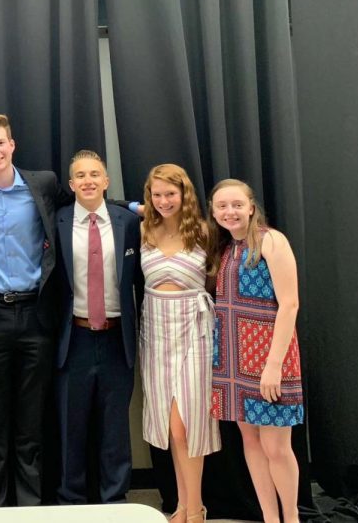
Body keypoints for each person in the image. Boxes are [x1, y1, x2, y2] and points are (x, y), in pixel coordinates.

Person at [0, 113, 73, 506]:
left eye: (0, 143)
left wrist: (134, 209)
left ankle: (30, 506)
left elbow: (85, 205)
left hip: (37, 315)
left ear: (12, 145)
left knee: (31, 420)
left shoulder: (44, 183)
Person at [208, 179, 303, 523]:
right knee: (251, 444)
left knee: (277, 448)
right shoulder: (226, 248)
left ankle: (290, 518)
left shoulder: (270, 241)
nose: (229, 212)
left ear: (250, 207)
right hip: (233, 361)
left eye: (236, 204)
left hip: (268, 359)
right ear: (214, 211)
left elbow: (290, 304)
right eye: (221, 206)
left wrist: (273, 365)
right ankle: (269, 518)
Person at [54, 150, 142, 504]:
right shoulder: (56, 220)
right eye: (80, 175)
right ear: (72, 184)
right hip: (72, 338)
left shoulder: (129, 223)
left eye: (95, 174)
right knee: (69, 427)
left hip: (117, 337)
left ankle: (114, 500)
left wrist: (135, 206)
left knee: (115, 428)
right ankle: (69, 501)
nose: (88, 181)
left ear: (106, 181)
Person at [139, 165, 221, 523]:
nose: (163, 201)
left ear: (183, 193)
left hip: (195, 327)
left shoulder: (204, 232)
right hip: (155, 327)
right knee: (172, 427)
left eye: (170, 194)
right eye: (156, 195)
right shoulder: (144, 229)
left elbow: (218, 280)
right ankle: (183, 506)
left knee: (188, 423)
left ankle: (196, 507)